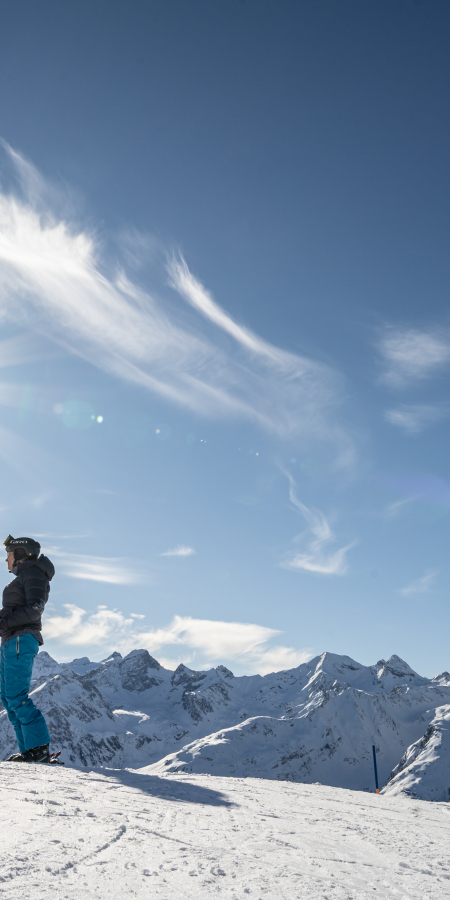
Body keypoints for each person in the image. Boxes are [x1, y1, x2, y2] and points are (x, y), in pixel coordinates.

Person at [0, 535, 54, 763]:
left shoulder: (33, 574)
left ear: (20, 554)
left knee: (16, 696)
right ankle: (28, 752)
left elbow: (35, 609)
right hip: (12, 639)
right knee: (7, 697)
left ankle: (39, 750)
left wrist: (2, 622)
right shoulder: (25, 576)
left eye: (9, 554)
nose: (6, 560)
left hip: (21, 639)